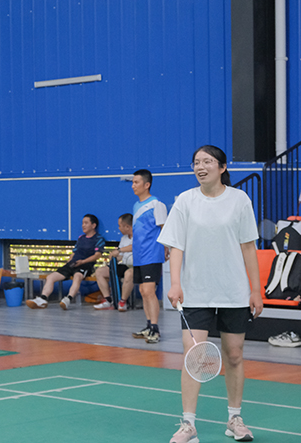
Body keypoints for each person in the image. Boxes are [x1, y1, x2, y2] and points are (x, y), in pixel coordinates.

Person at [157, 145, 262, 443]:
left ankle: (235, 418)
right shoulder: (185, 201)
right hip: (196, 292)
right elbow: (176, 246)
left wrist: (256, 289)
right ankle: (188, 425)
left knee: (234, 355)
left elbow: (248, 247)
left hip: (233, 291)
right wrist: (175, 283)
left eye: (207, 161)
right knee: (194, 356)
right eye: (196, 163)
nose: (200, 167)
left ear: (222, 167)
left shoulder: (239, 200)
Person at [25, 214, 104, 310]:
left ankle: (68, 299)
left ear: (93, 225)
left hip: (85, 265)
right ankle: (43, 299)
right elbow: (74, 253)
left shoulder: (98, 239)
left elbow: (97, 255)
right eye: (82, 223)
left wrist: (82, 262)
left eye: (86, 223)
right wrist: (68, 263)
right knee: (50, 277)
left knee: (77, 277)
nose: (83, 225)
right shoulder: (81, 238)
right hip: (73, 264)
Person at [130, 169, 168, 343]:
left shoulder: (157, 204)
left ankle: (155, 329)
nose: (133, 185)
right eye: (132, 182)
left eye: (136, 182)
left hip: (152, 253)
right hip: (139, 254)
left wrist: (166, 248)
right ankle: (148, 326)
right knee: (142, 291)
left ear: (147, 185)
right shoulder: (136, 205)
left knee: (148, 291)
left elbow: (164, 228)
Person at [93, 213, 134, 311]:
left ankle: (123, 301)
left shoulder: (139, 236)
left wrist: (119, 250)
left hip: (136, 266)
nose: (119, 228)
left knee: (129, 274)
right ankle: (108, 300)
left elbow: (134, 247)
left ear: (127, 227)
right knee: (100, 272)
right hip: (124, 264)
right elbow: (121, 256)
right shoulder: (123, 239)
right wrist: (114, 256)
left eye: (120, 226)